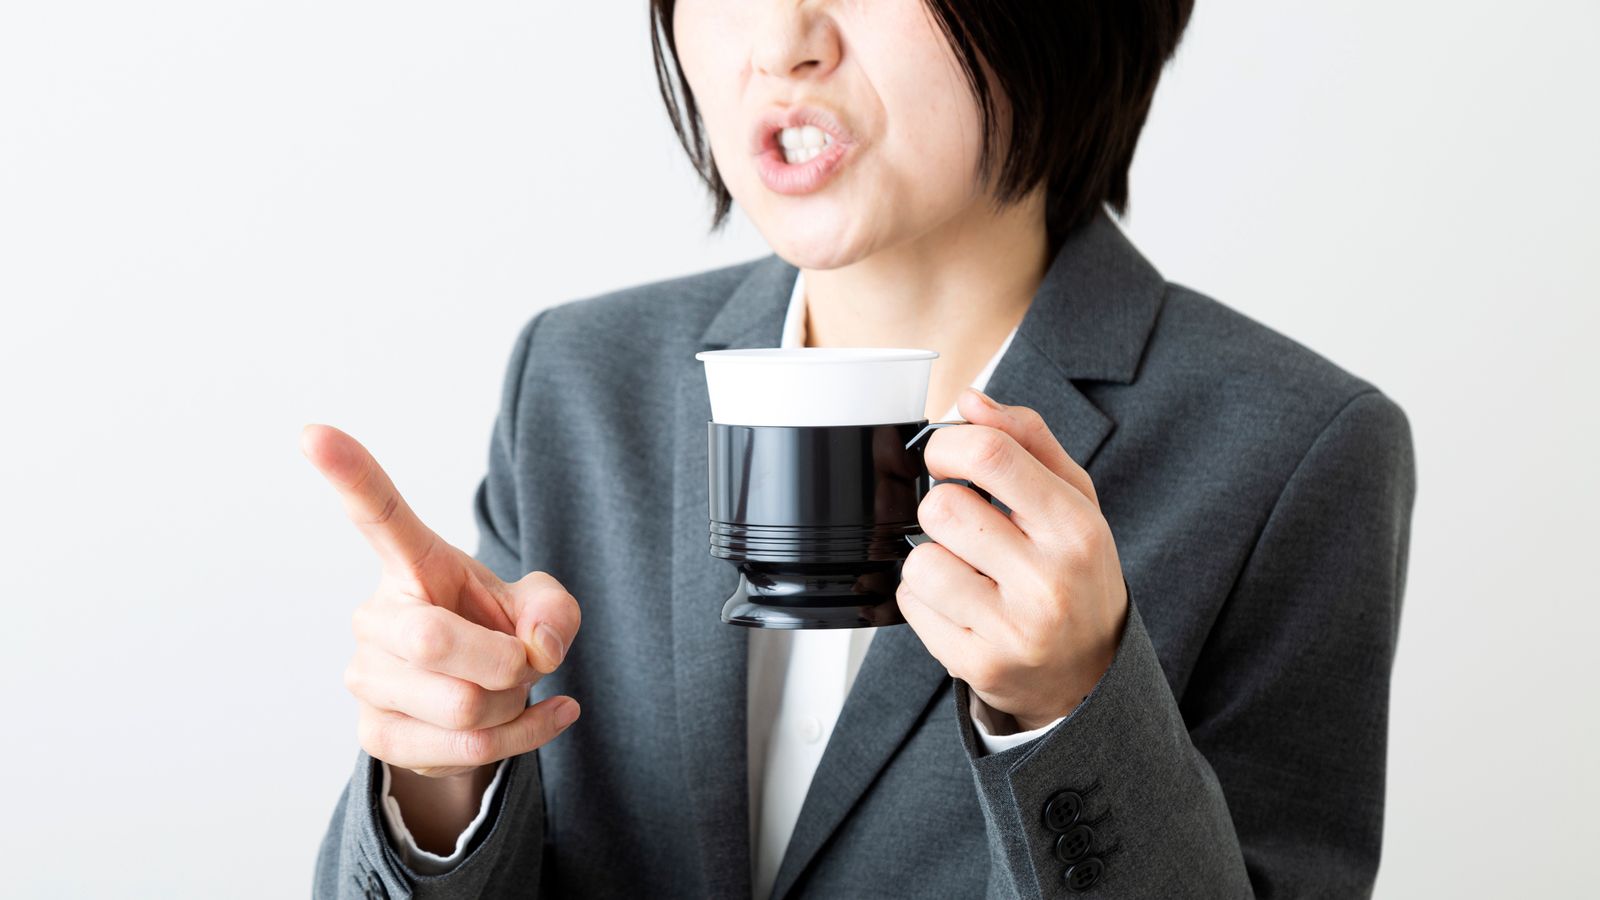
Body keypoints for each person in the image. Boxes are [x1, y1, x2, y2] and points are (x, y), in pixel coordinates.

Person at [307, 1, 1417, 897]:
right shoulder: (580, 382)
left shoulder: (1294, 452)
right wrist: (438, 780)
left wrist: (1070, 713)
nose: (781, 40)